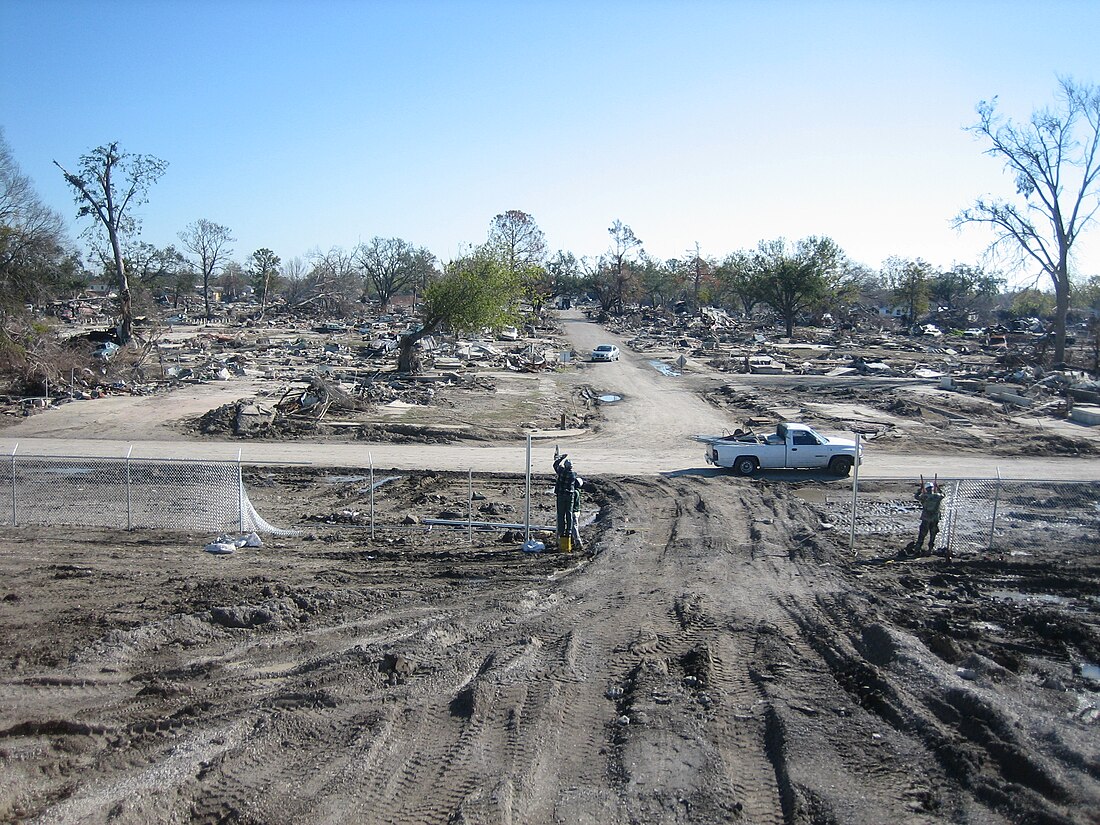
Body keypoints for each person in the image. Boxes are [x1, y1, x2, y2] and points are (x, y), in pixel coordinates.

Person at [913, 480, 946, 556]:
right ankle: (930, 550)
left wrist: (920, 490)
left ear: (926, 489)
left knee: (922, 534)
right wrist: (938, 488)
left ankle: (917, 549)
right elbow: (943, 494)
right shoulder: (937, 496)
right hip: (935, 519)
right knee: (933, 534)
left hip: (926, 518)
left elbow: (916, 496)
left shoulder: (924, 497)